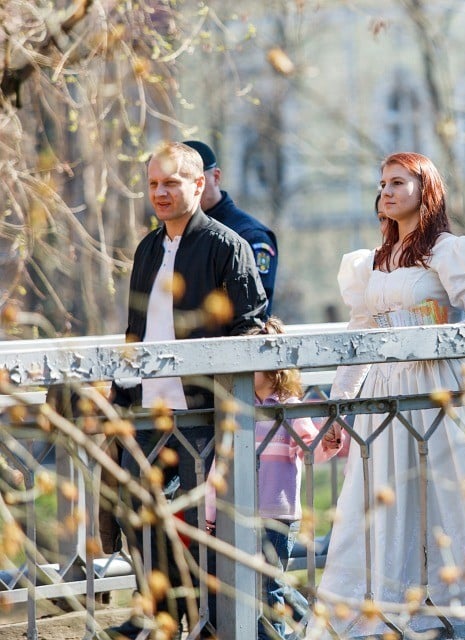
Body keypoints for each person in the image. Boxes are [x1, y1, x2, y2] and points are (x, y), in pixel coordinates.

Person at [309, 152, 465, 636]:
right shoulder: (369, 263)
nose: (386, 192)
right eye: (382, 183)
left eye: (398, 182)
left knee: (454, 494)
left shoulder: (448, 251)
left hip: (439, 389)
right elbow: (360, 337)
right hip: (386, 394)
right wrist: (340, 409)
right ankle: (389, 608)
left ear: (425, 188)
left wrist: (447, 352)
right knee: (385, 497)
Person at [109, 141, 268, 639]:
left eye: (171, 183)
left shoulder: (227, 246)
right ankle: (156, 618)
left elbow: (249, 327)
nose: (160, 192)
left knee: (200, 526)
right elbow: (136, 330)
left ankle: (210, 624)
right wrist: (119, 395)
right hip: (146, 413)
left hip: (201, 414)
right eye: (154, 183)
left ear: (199, 185)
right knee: (143, 520)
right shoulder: (147, 247)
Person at [205, 317, 340, 640]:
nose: (250, 371)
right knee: (242, 584)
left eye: (257, 364)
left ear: (276, 368)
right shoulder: (237, 408)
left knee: (269, 587)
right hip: (239, 512)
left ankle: (277, 634)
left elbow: (310, 450)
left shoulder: (288, 409)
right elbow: (220, 466)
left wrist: (328, 443)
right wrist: (211, 513)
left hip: (277, 515)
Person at [183, 139, 279, 314]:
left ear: (216, 177)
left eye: (196, 181)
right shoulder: (171, 236)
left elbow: (252, 313)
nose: (189, 190)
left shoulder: (250, 237)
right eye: (179, 182)